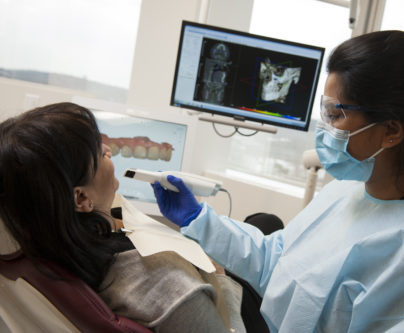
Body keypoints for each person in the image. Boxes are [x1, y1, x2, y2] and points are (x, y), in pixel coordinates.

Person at [152, 30, 404, 332]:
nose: (325, 129)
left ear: (392, 130)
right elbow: (278, 260)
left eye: (337, 114)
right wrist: (199, 220)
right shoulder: (350, 190)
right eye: (326, 111)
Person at [0, 102, 245, 332]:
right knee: (266, 223)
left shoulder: (44, 240)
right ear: (81, 199)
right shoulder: (170, 287)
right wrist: (221, 278)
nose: (107, 148)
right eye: (97, 151)